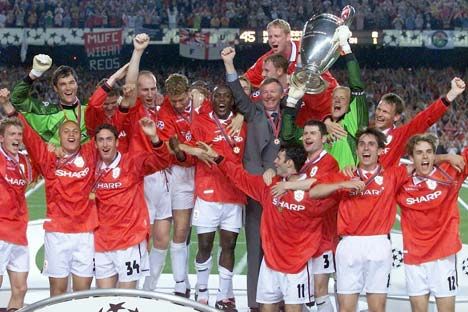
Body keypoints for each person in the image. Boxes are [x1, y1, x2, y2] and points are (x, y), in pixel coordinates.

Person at [201, 143, 330, 312]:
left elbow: (332, 189)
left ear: (290, 163)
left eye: (279, 158)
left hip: (296, 267)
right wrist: (218, 158)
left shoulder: (313, 193)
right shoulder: (270, 185)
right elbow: (240, 177)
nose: (274, 162)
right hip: (269, 265)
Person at [1, 97, 98, 297]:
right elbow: (29, 135)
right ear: (59, 137)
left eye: (75, 132)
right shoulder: (49, 158)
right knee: (58, 291)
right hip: (57, 234)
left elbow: (107, 127)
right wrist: (8, 106)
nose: (71, 135)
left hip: (85, 233)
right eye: (66, 132)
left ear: (81, 137)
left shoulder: (90, 153)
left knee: (82, 292)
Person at [309, 128, 409, 312]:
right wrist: (342, 184)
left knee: (377, 308)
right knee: (346, 308)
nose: (366, 148)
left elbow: (420, 164)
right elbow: (314, 191)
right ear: (356, 150)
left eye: (371, 144)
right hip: (349, 245)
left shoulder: (392, 175)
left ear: (380, 151)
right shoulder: (346, 175)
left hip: (379, 244)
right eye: (361, 144)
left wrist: (447, 158)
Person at [173, 85, 247, 310]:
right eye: (218, 96)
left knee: (229, 246)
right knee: (205, 244)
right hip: (207, 193)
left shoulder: (242, 124)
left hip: (234, 194)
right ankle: (202, 290)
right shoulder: (201, 122)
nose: (222, 99)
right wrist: (192, 151)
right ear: (211, 100)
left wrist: (242, 115)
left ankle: (224, 295)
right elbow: (181, 146)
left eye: (226, 96)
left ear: (232, 100)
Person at [222, 46, 283, 311]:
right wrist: (228, 63)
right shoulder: (253, 111)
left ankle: (282, 299)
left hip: (281, 189)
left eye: (273, 92)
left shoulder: (289, 116)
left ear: (281, 94)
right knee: (256, 245)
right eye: (265, 92)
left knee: (280, 245)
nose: (269, 96)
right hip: (256, 188)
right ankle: (255, 303)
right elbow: (237, 91)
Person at [268, 120, 340, 312]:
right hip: (301, 239)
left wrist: (288, 185)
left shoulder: (329, 163)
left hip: (322, 237)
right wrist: (270, 171)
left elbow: (316, 185)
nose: (308, 137)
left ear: (323, 138)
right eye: (306, 133)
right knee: (298, 293)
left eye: (313, 133)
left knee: (319, 291)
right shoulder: (303, 163)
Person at [93, 119, 171, 289]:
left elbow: (163, 161)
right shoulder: (92, 166)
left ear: (117, 142)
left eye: (109, 139)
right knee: (105, 298)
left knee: (126, 299)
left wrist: (154, 138)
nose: (105, 144)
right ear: (96, 144)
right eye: (101, 140)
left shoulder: (132, 162)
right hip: (101, 242)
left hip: (129, 241)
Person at [122, 33, 173, 292]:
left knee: (163, 238)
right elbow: (129, 86)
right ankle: (136, 286)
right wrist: (138, 52)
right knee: (144, 237)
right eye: (145, 89)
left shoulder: (163, 109)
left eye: (153, 88)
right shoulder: (133, 111)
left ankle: (149, 289)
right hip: (142, 180)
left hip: (165, 179)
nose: (150, 93)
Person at [396, 134, 467, 312]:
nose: (425, 156)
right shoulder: (401, 184)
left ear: (434, 155)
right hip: (414, 259)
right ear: (411, 158)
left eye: (429, 152)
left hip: (443, 258)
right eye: (419, 153)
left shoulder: (450, 172)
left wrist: (447, 157)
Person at [282, 25, 367, 169]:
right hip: (320, 188)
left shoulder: (352, 124)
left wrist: (346, 49)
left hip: (345, 186)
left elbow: (357, 86)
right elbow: (288, 136)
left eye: (342, 98)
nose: (337, 100)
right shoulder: (317, 133)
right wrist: (291, 103)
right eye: (335, 98)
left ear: (349, 106)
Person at [245, 18, 338, 129]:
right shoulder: (266, 61)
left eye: (277, 36)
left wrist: (327, 118)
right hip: (285, 124)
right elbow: (243, 83)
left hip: (315, 121)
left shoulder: (306, 52)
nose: (273, 40)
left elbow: (329, 87)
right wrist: (241, 113)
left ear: (288, 37)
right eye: (270, 37)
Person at [374, 77, 465, 168]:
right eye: (378, 109)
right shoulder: (364, 131)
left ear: (396, 117)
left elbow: (426, 117)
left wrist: (452, 94)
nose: (379, 114)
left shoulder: (400, 136)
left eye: (385, 112)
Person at [0, 98, 37, 310]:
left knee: (21, 288)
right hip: (1, 230)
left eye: (19, 134)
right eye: (12, 134)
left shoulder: (24, 161)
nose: (17, 138)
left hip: (19, 231)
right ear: (1, 138)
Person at [10, 55, 89, 145]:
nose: (68, 88)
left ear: (77, 84)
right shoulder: (46, 112)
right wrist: (33, 74)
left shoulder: (89, 111)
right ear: (55, 88)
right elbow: (17, 99)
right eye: (63, 84)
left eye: (71, 83)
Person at [85, 63, 131, 153]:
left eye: (113, 102)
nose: (110, 107)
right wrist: (114, 78)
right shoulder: (94, 117)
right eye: (105, 104)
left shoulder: (122, 113)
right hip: (99, 163)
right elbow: (94, 104)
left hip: (125, 163)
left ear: (118, 99)